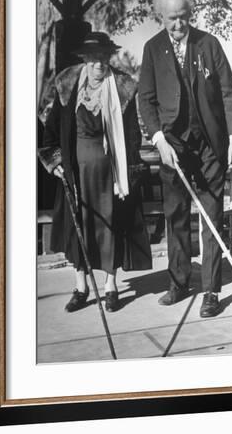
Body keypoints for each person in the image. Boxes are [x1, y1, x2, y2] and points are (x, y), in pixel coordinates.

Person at [138, 0, 232, 318]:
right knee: (177, 215)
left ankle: (211, 290)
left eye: (183, 17)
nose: (179, 24)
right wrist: (157, 139)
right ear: (161, 18)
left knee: (212, 218)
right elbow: (146, 99)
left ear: (189, 14)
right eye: (171, 19)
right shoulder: (153, 49)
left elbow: (228, 92)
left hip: (210, 145)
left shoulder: (208, 44)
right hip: (172, 146)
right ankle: (179, 282)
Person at [38, 32, 152, 313]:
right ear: (85, 60)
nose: (99, 64)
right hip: (75, 174)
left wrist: (130, 171)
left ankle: (110, 286)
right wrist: (55, 161)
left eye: (103, 58)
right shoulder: (67, 86)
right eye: (93, 59)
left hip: (110, 176)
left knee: (109, 227)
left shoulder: (123, 89)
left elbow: (133, 136)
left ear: (108, 59)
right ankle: (81, 287)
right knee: (80, 228)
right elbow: (51, 131)